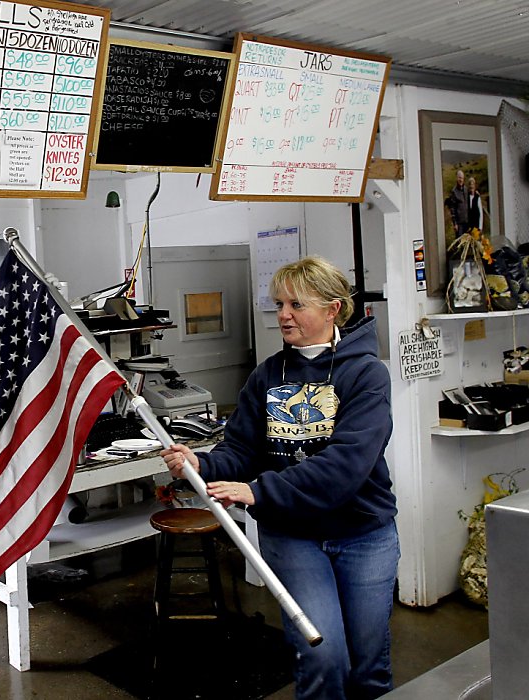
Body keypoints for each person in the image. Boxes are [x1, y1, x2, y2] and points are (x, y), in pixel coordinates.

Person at [161, 257, 398, 700]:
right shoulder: (268, 375)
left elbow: (346, 465)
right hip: (292, 536)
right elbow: (242, 449)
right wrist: (203, 465)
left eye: (296, 304)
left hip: (363, 532)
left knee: (368, 665)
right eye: (278, 304)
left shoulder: (366, 374)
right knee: (323, 656)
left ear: (332, 310)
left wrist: (256, 490)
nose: (283, 315)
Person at [446, 169, 469, 236]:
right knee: (460, 243)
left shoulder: (466, 189)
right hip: (459, 223)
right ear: (457, 178)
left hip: (467, 222)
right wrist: (455, 223)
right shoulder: (454, 192)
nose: (460, 180)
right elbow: (452, 209)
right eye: (459, 178)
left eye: (462, 178)